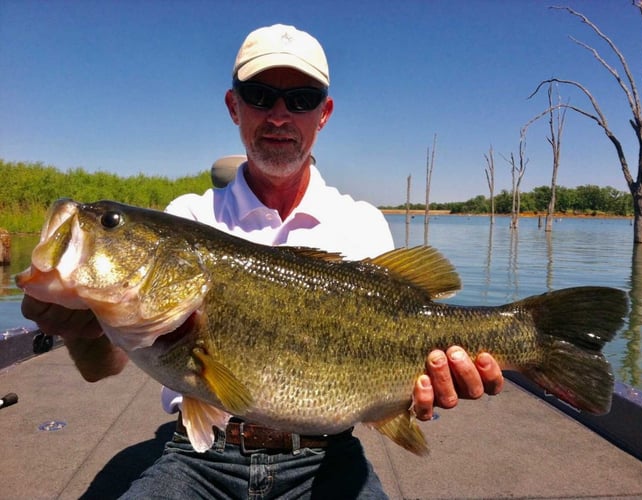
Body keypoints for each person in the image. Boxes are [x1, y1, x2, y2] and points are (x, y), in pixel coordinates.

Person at [21, 24, 503, 499]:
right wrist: (79, 327)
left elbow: (410, 383)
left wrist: (427, 397)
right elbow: (101, 367)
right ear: (234, 106)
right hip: (199, 457)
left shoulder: (362, 224)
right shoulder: (188, 216)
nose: (278, 115)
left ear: (324, 113)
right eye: (259, 95)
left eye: (301, 99)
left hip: (327, 459)